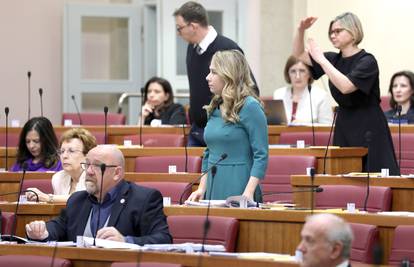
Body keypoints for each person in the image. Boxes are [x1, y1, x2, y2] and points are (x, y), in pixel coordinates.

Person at [292, 12, 399, 175]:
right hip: (344, 123)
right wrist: (301, 30)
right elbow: (298, 55)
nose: (332, 36)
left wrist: (321, 60)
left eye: (338, 31)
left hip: (369, 124)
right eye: (331, 33)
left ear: (353, 31)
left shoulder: (367, 61)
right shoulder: (332, 59)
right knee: (344, 174)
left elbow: (346, 86)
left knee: (375, 176)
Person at [25, 145, 172, 245]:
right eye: (87, 164)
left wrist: (126, 241)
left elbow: (163, 239)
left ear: (117, 173)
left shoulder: (143, 199)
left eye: (96, 166)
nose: (88, 171)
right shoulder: (78, 200)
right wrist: (41, 232)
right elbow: (57, 227)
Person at [173, 1, 259, 147]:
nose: (178, 33)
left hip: (222, 129)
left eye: (179, 28)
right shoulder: (192, 48)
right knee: (190, 169)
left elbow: (250, 89)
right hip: (197, 129)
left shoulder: (227, 48)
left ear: (193, 26)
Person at [187, 50, 268, 202]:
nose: (207, 77)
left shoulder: (250, 106)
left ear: (228, 74)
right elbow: (208, 152)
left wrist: (248, 193)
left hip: (240, 183)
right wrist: (202, 188)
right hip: (213, 181)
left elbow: (261, 155)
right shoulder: (214, 106)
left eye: (213, 72)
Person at [25, 128, 97, 203]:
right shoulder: (58, 178)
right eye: (62, 151)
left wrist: (48, 198)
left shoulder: (93, 176)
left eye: (71, 151)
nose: (64, 156)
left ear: (87, 155)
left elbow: (82, 200)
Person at [273, 56, 333, 124]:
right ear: (288, 74)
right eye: (293, 71)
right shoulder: (279, 94)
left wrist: (305, 125)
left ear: (309, 74)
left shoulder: (321, 96)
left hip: (309, 134)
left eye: (302, 71)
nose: (297, 76)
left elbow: (327, 127)